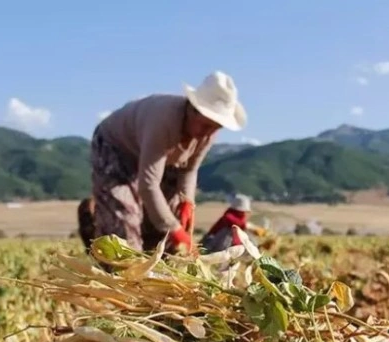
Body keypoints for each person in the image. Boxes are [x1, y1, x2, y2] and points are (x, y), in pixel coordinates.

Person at [78, 71, 246, 254]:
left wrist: (187, 202)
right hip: (117, 148)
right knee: (124, 219)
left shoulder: (207, 133)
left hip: (159, 158)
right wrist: (174, 228)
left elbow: (189, 170)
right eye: (206, 126)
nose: (208, 133)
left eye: (215, 128)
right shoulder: (163, 122)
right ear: (192, 109)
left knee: (169, 212)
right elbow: (148, 185)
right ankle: (115, 258)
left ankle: (158, 263)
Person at [201, 193, 266, 253]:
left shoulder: (239, 218)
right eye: (243, 211)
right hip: (217, 242)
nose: (245, 213)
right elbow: (235, 222)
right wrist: (249, 227)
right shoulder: (228, 217)